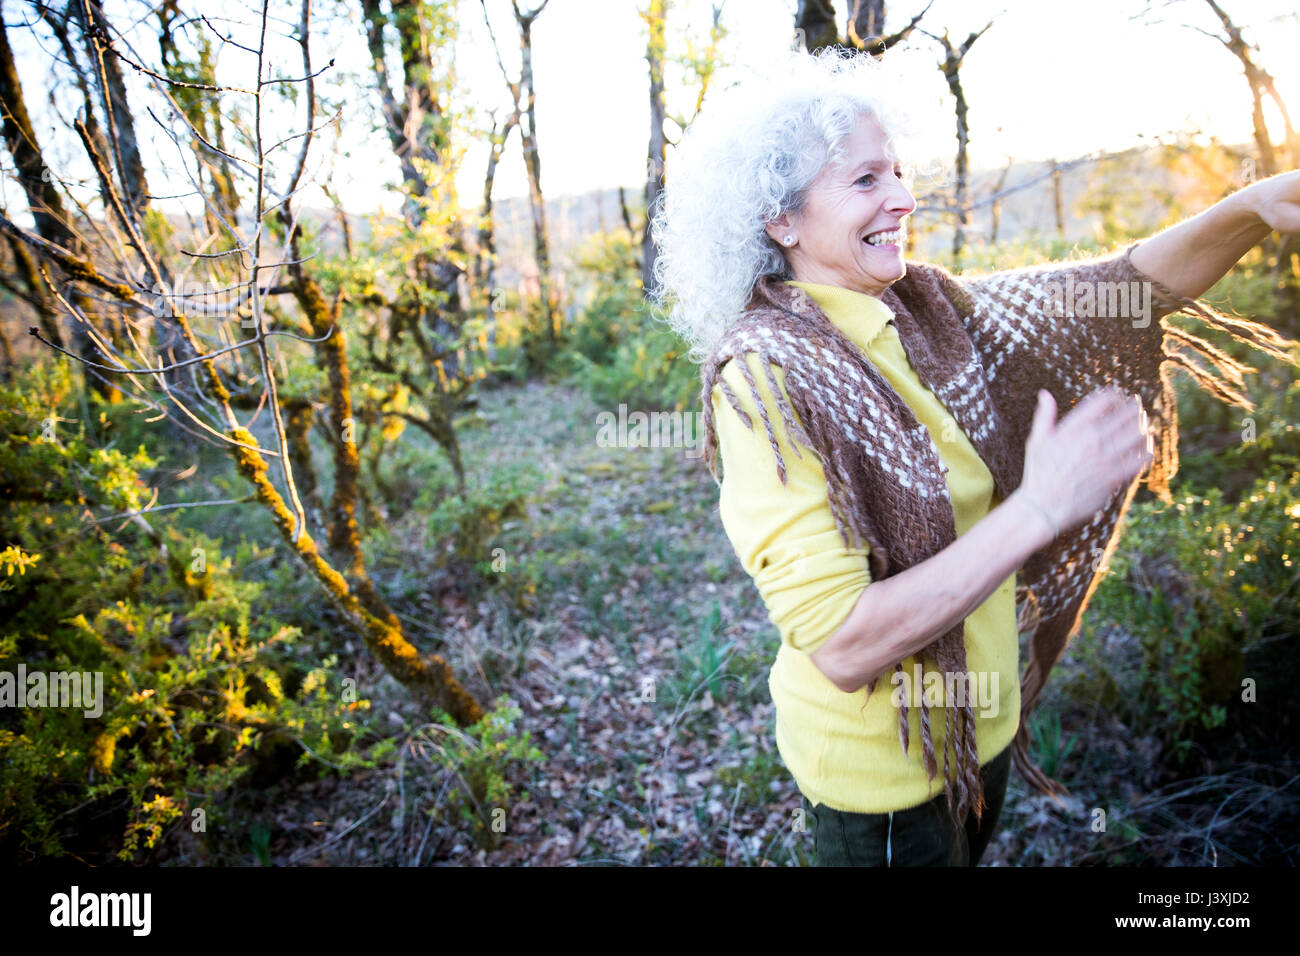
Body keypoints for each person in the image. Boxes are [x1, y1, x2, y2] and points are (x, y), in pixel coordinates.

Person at [649, 47, 1300, 867]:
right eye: (864, 181)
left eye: (898, 172)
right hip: (883, 787)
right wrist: (1039, 509)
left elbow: (1121, 291)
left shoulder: (925, 311)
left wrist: (1249, 208)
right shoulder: (766, 382)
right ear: (781, 220)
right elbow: (844, 646)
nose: (902, 198)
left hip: (982, 734)